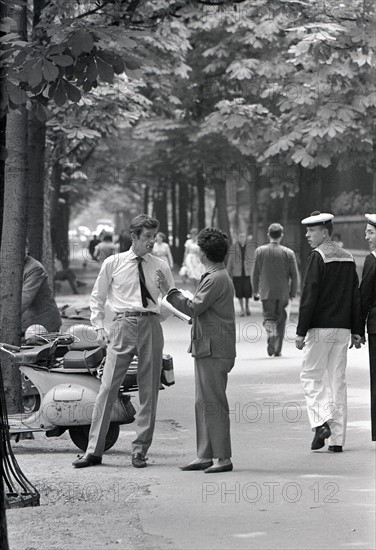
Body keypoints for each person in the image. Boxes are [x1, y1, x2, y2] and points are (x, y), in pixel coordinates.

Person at [72, 214, 175, 469]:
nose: (152, 242)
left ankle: (140, 450)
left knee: (149, 390)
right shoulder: (113, 262)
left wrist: (160, 302)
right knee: (107, 388)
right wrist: (99, 327)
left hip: (150, 325)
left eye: (154, 237)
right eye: (147, 237)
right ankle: (93, 451)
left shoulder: (160, 265)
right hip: (122, 325)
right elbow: (97, 297)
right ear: (134, 237)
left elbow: (173, 300)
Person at [157, 228, 236, 473]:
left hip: (214, 348)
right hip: (209, 345)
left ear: (203, 254)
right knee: (204, 402)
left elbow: (193, 307)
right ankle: (205, 455)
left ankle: (223, 457)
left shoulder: (215, 278)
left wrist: (169, 293)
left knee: (213, 403)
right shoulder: (216, 275)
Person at [295, 211, 362, 453]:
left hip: (320, 328)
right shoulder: (348, 257)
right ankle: (337, 440)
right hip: (342, 330)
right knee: (337, 382)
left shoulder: (317, 256)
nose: (307, 235)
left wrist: (301, 331)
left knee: (310, 376)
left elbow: (309, 296)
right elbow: (356, 296)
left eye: (312, 230)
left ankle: (322, 421)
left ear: (324, 232)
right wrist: (357, 329)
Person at [252, 223, 298, 357]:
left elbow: (255, 273)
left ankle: (271, 334)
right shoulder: (289, 253)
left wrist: (255, 291)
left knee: (269, 317)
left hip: (266, 292)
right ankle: (278, 349)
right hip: (283, 292)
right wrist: (293, 293)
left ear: (268, 235)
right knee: (281, 320)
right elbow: (294, 275)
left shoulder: (260, 251)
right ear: (281, 236)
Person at [359, 213, 376, 442]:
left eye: (371, 232)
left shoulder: (372, 260)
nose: (366, 237)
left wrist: (357, 328)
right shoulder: (371, 259)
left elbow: (364, 296)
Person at [22, 242, 61, 334]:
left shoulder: (34, 268)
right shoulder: (9, 267)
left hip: (43, 325)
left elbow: (23, 301)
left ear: (26, 249)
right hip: (25, 324)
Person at [226, 233, 254, 316]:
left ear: (246, 238)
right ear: (238, 238)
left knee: (247, 290)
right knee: (239, 291)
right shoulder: (233, 247)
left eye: (243, 237)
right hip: (237, 273)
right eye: (240, 237)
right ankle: (242, 309)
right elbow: (230, 260)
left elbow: (254, 259)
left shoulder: (250, 247)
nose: (242, 238)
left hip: (247, 273)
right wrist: (227, 273)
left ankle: (247, 307)